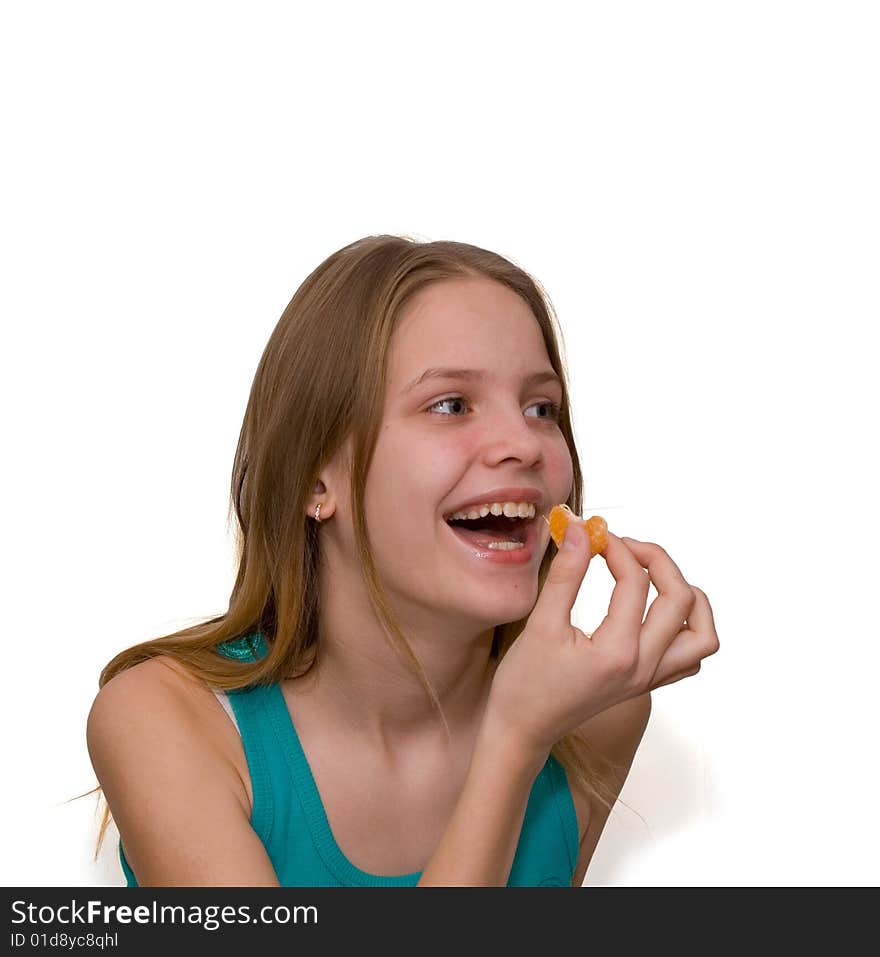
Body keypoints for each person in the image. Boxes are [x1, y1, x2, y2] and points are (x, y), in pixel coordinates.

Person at [86, 234, 720, 887]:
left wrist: (526, 730)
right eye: (451, 404)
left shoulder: (599, 717)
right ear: (313, 477)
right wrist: (512, 744)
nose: (524, 443)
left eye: (541, 407)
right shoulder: (162, 719)